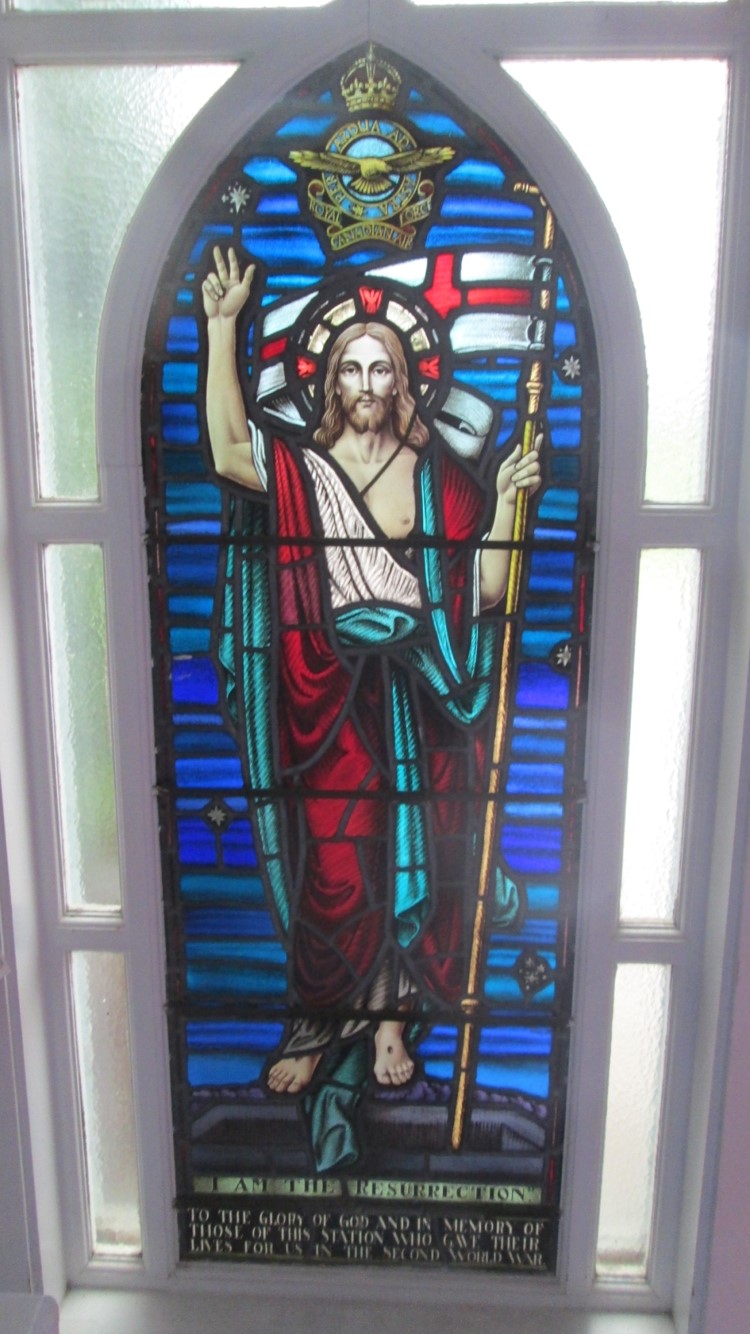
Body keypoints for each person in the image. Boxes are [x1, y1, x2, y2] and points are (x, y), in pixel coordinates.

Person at [203, 246, 541, 1104]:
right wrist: (221, 328)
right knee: (335, 864)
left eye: (380, 368)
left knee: (406, 853)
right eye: (350, 368)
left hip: (419, 694)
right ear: (331, 381)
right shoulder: (303, 469)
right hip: (322, 695)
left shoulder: (440, 482)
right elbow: (230, 454)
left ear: (404, 382)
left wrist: (506, 500)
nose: (365, 382)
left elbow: (484, 591)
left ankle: (391, 1015)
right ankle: (321, 1022)